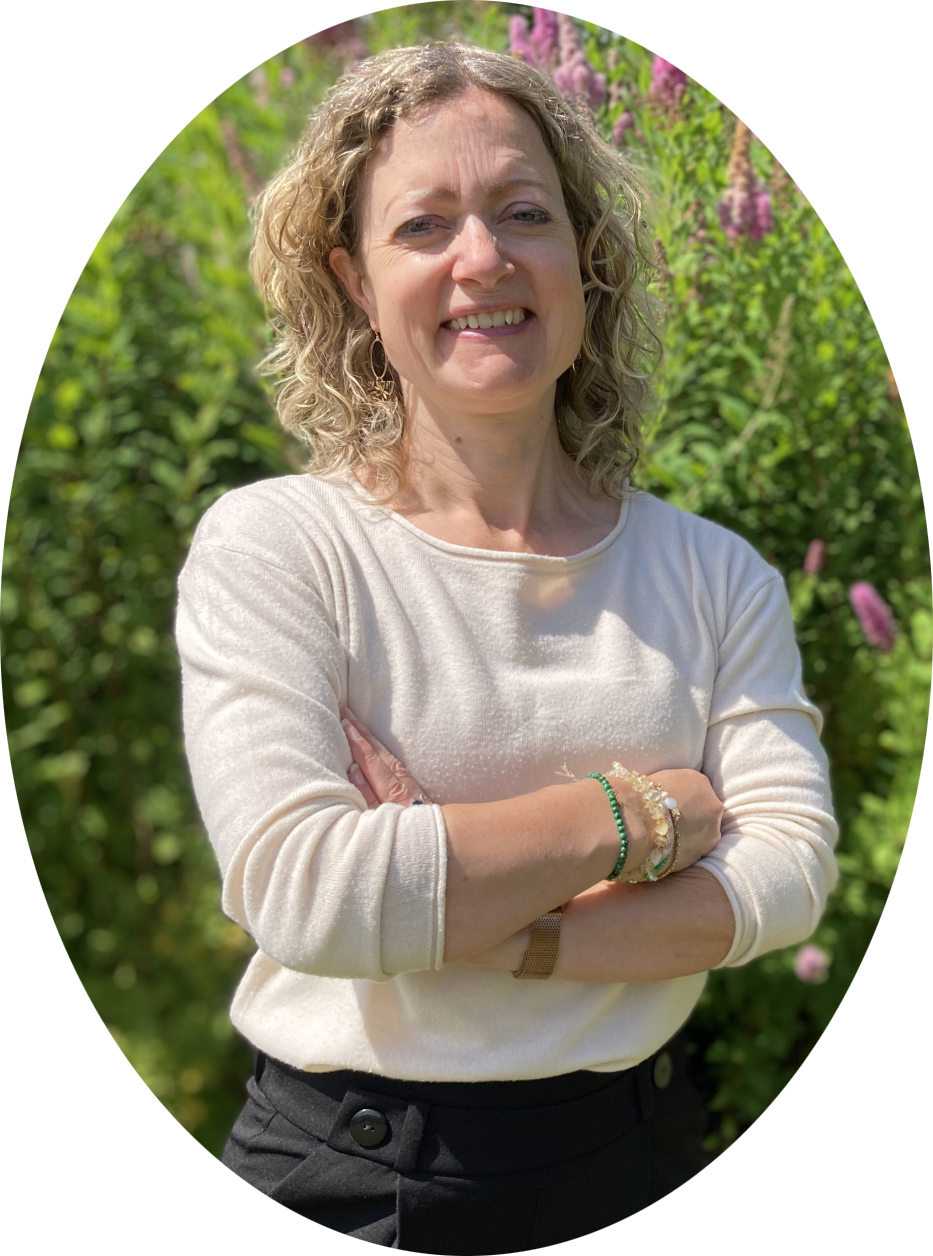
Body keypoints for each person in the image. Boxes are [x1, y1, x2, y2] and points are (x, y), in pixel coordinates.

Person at [174, 41, 839, 1252]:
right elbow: (310, 894)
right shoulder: (278, 548)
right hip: (352, 1174)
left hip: (637, 1174)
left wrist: (497, 918)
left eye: (525, 212)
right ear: (355, 281)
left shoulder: (711, 572)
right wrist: (643, 816)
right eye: (422, 225)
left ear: (585, 256)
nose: (481, 257)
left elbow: (787, 873)